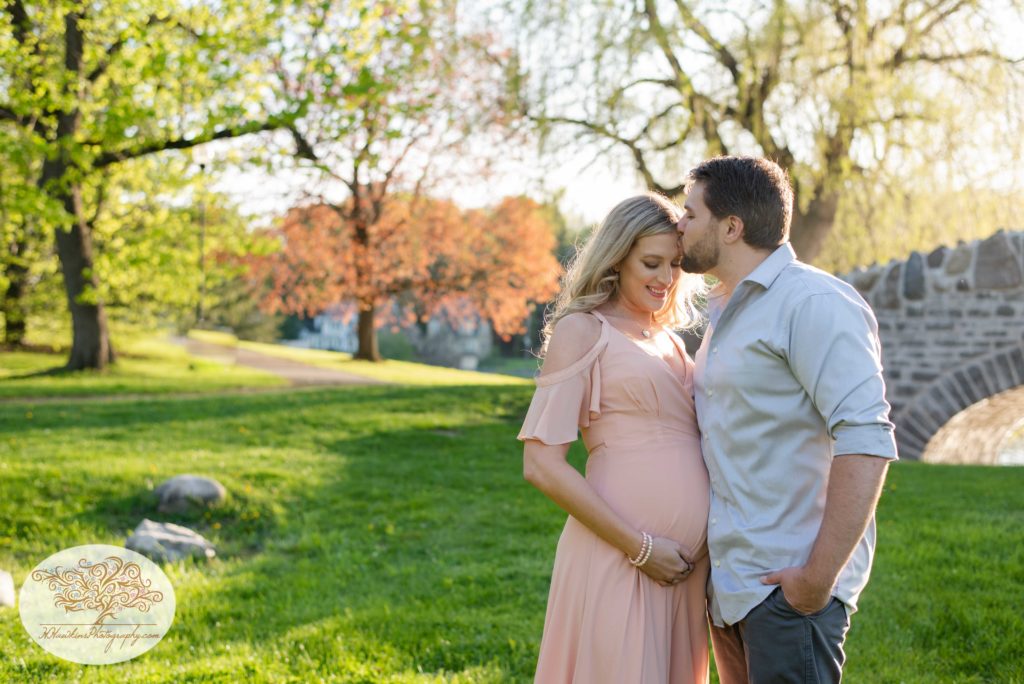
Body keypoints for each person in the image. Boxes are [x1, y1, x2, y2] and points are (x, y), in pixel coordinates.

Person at [676, 156, 898, 684]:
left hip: (788, 591)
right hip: (734, 590)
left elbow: (866, 440)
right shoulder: (728, 310)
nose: (677, 224)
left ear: (731, 227)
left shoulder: (814, 302)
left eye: (689, 213)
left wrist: (815, 581)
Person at [518, 193, 710, 683]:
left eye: (675, 264)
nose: (665, 279)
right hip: (622, 556)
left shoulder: (668, 339)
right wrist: (641, 548)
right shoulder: (583, 329)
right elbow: (541, 464)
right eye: (651, 262)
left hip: (685, 573)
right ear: (617, 256)